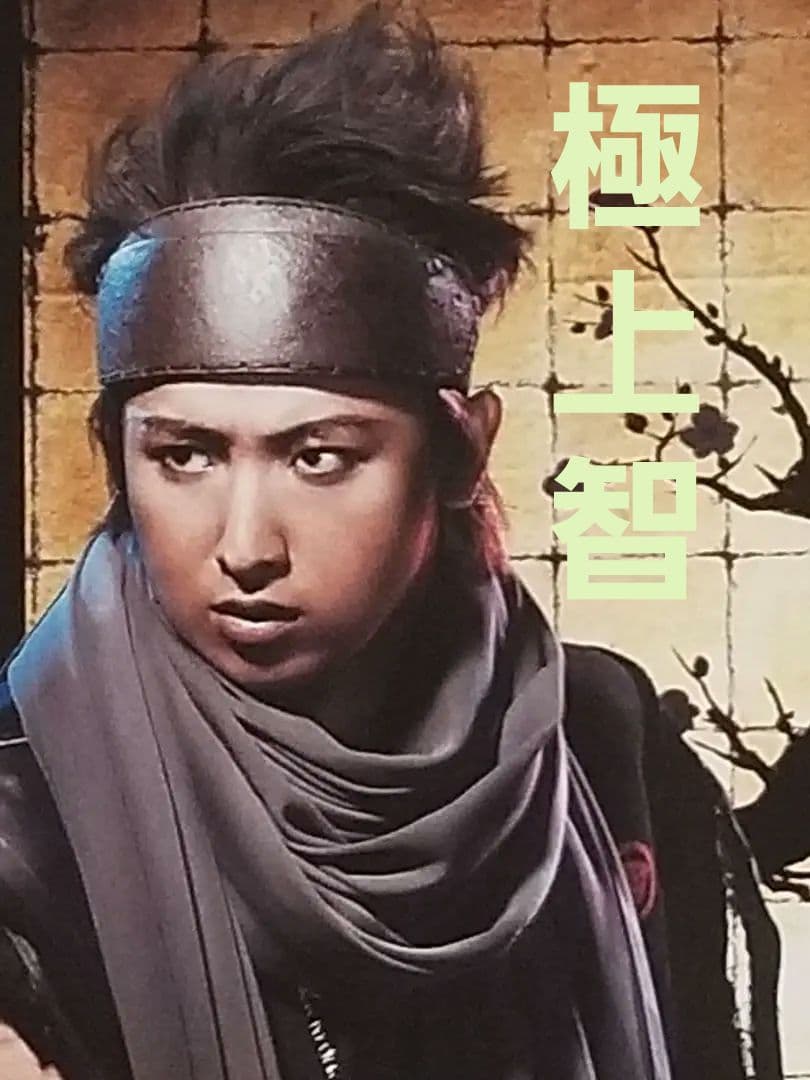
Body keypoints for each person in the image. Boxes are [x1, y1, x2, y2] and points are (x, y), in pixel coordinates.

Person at [0, 6, 777, 1079]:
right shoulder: (22, 821)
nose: (245, 544)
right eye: (184, 456)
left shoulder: (606, 747)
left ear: (459, 454)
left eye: (319, 457)